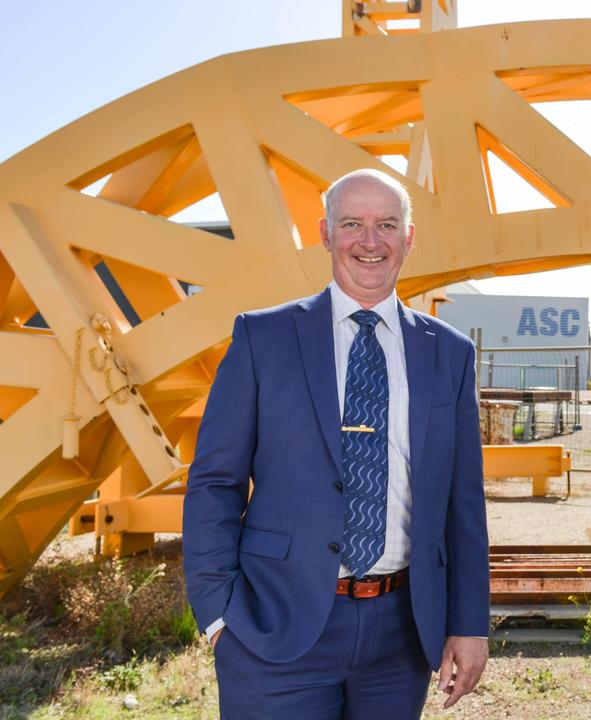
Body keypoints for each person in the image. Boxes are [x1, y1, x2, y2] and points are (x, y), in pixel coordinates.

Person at [183, 168, 490, 718]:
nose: (369, 242)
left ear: (408, 238)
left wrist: (468, 623)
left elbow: (462, 504)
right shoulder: (264, 337)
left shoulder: (449, 352)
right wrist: (217, 616)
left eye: (386, 225)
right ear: (326, 233)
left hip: (401, 633)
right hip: (275, 624)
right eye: (353, 224)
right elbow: (214, 483)